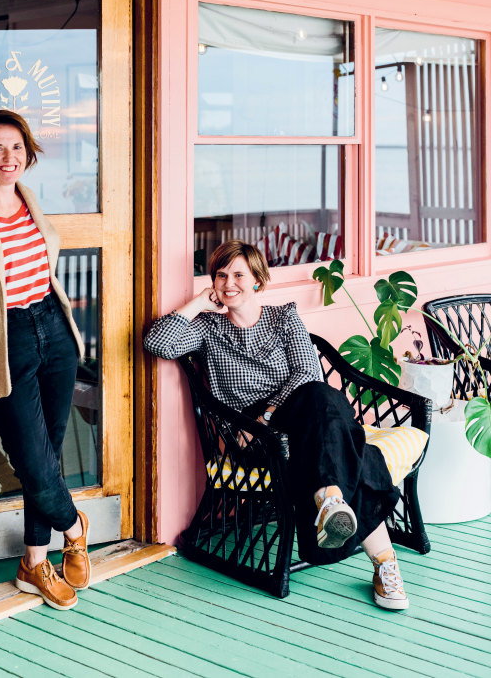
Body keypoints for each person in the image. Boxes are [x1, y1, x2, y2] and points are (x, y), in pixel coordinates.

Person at [144, 239, 409, 611]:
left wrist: (267, 413)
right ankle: (381, 558)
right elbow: (158, 342)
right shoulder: (206, 329)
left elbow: (306, 372)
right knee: (352, 447)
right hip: (255, 441)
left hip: (294, 417)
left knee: (319, 396)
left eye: (238, 274)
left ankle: (333, 502)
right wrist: (199, 303)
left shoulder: (283, 317)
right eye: (220, 275)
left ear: (258, 281)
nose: (228, 282)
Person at [0, 109, 90, 611]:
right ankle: (75, 527)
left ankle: (33, 561)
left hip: (51, 327)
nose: (8, 158)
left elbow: (40, 263)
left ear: (27, 153)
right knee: (32, 457)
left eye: (16, 147)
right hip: (3, 339)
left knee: (49, 452)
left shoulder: (28, 199)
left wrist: (55, 307)